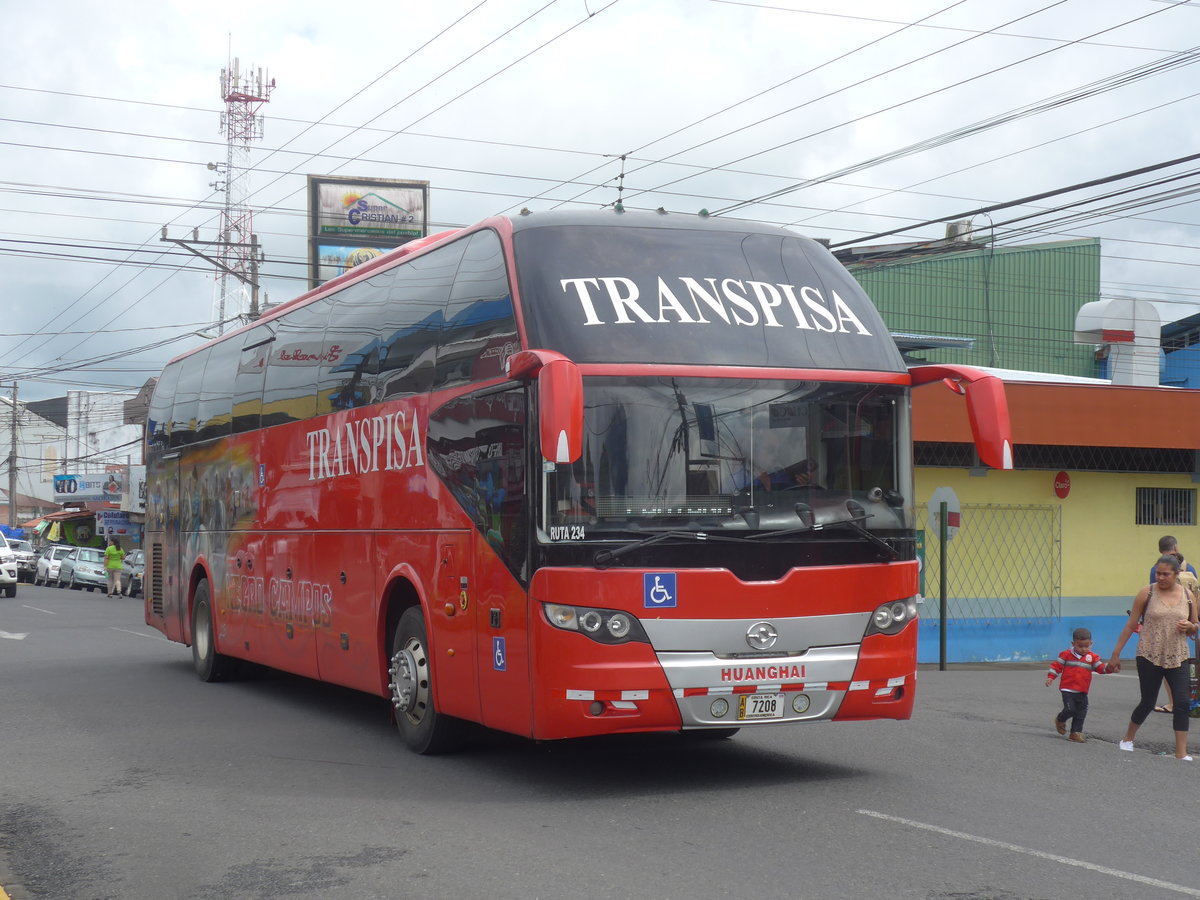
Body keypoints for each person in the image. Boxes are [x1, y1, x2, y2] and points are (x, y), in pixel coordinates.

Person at [1107, 554, 1199, 760]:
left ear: (1176, 575)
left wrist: (1191, 626)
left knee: (1182, 703)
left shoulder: (1188, 596)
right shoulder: (1146, 593)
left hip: (1178, 656)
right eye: (1158, 573)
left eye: (1165, 574)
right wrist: (1116, 654)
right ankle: (1128, 738)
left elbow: (1195, 627)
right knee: (1148, 701)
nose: (1160, 577)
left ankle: (1181, 752)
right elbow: (1131, 625)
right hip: (1149, 654)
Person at [1149, 545, 1197, 714]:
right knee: (1182, 667)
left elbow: (1152, 600)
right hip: (1185, 625)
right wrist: (1193, 625)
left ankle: (1173, 703)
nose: (1161, 576)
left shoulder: (1156, 572)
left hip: (1166, 632)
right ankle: (1185, 702)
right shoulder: (1191, 570)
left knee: (1168, 666)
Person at [1045, 627, 1112, 743]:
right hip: (1067, 689)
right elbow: (1057, 666)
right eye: (1080, 646)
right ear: (1073, 643)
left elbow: (1100, 668)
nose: (1083, 649)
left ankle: (1075, 733)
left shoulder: (1092, 657)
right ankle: (1060, 719)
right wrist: (1051, 677)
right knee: (1070, 709)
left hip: (1082, 690)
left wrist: (1111, 668)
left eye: (1086, 646)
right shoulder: (1065, 654)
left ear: (1091, 643)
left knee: (1081, 711)